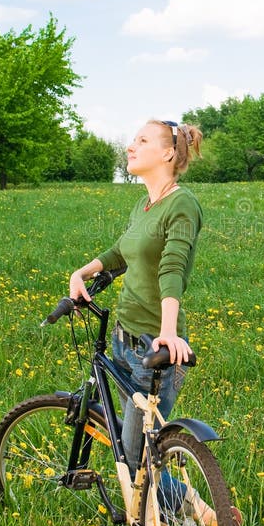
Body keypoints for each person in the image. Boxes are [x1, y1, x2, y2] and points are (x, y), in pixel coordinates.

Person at [69, 119, 203, 480]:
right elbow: (121, 251)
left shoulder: (182, 205)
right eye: (132, 139)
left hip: (152, 348)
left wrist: (169, 332)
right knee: (136, 451)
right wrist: (82, 273)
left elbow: (173, 268)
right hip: (122, 340)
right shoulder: (144, 204)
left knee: (136, 462)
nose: (130, 146)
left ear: (167, 153)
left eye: (142, 140)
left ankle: (209, 514)